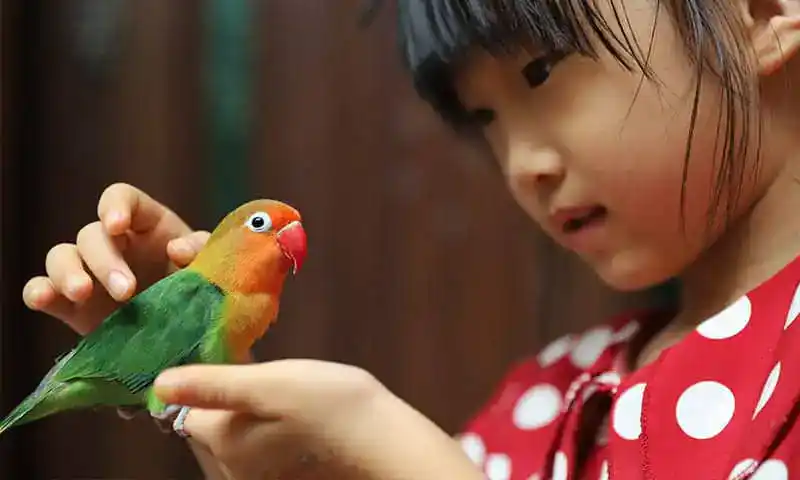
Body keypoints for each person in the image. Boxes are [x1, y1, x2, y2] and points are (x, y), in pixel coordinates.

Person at [20, 0, 800, 476]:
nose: (521, 163)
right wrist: (189, 354)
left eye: (541, 73)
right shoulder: (544, 395)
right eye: (484, 120)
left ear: (764, 9)